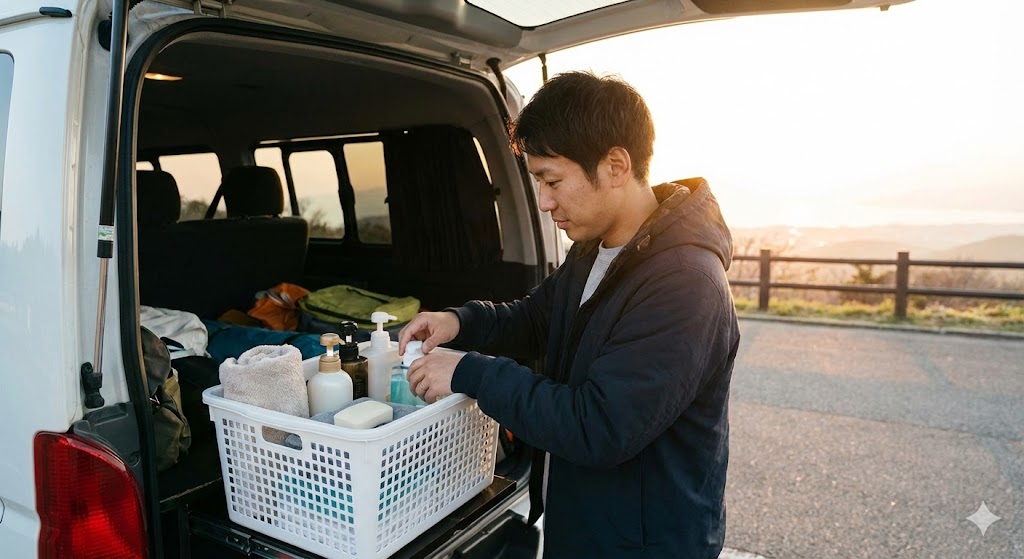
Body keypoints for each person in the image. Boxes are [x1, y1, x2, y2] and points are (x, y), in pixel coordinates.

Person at [400, 71, 740, 558]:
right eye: (538, 181)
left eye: (551, 180)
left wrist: (470, 371)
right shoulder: (594, 247)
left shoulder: (686, 282)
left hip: (644, 543)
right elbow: (537, 318)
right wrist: (462, 322)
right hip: (584, 522)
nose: (544, 202)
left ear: (616, 165)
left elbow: (598, 426)